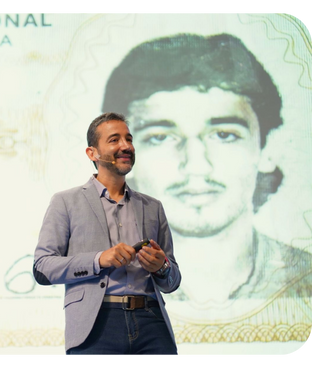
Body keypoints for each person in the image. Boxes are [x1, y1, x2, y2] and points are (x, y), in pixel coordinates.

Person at [100, 33, 312, 338]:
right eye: (160, 137)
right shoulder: (98, 279)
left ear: (267, 149)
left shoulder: (305, 277)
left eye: (224, 135)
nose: (197, 165)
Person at [33, 112, 181, 357]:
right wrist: (98, 260)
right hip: (96, 324)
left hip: (152, 321)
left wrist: (161, 267)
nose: (126, 146)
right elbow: (42, 268)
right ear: (93, 153)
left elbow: (172, 281)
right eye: (114, 140)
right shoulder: (65, 202)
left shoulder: (152, 207)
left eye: (129, 139)